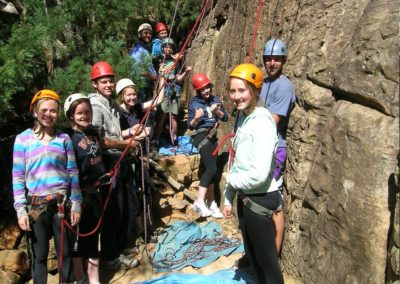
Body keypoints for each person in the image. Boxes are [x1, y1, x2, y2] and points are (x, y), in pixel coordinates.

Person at [12, 89, 82, 283]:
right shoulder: (23, 140)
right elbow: (17, 177)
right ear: (35, 111)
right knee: (40, 256)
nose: (48, 114)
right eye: (44, 110)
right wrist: (21, 210)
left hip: (62, 204)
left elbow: (72, 172)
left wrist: (76, 203)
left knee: (65, 253)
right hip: (37, 206)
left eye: (53, 111)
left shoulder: (64, 139)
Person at [223, 63, 284, 284]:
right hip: (246, 199)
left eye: (242, 90)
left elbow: (258, 175)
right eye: (233, 91)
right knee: (255, 262)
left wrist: (230, 180)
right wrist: (229, 197)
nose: (237, 96)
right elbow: (238, 162)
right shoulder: (244, 118)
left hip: (260, 199)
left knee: (268, 264)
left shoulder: (262, 122)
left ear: (255, 90)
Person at [88, 61, 140, 270]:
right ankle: (111, 256)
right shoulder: (95, 106)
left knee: (130, 205)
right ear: (95, 84)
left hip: (121, 158)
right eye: (104, 82)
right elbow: (98, 140)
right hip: (109, 161)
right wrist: (125, 143)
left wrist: (130, 133)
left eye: (110, 81)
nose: (109, 85)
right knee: (113, 210)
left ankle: (122, 246)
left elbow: (138, 106)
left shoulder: (111, 104)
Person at [64, 93, 107, 284]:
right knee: (78, 239)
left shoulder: (93, 133)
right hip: (79, 194)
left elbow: (99, 156)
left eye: (87, 112)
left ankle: (94, 279)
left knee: (93, 237)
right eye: (80, 113)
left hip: (96, 192)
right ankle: (80, 278)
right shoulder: (68, 137)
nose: (85, 116)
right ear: (71, 115)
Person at [259, 38, 296, 255]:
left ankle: (273, 255)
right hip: (260, 146)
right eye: (268, 59)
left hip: (274, 148)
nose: (272, 63)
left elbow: (272, 120)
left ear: (283, 60)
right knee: (257, 200)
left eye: (276, 59)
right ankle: (259, 253)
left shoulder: (284, 85)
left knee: (273, 201)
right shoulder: (263, 83)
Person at [188, 73, 228, 218]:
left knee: (210, 170)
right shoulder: (194, 104)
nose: (206, 91)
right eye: (202, 89)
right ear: (198, 91)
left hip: (213, 137)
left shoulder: (216, 99)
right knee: (212, 168)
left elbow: (226, 117)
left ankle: (211, 203)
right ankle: (199, 201)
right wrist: (196, 118)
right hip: (201, 136)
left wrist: (218, 111)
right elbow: (191, 126)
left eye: (207, 88)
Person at [153, 37, 192, 145]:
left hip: (174, 88)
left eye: (170, 47)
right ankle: (156, 139)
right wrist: (160, 70)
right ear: (162, 48)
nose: (168, 49)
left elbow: (177, 78)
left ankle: (173, 138)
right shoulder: (159, 60)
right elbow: (157, 73)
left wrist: (186, 73)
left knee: (174, 115)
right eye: (166, 47)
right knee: (162, 115)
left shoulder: (176, 62)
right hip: (164, 88)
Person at [130, 23, 158, 102]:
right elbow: (137, 69)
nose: (148, 35)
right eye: (145, 33)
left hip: (147, 84)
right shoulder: (137, 49)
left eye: (150, 33)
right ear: (140, 35)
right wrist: (153, 76)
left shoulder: (144, 49)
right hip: (142, 84)